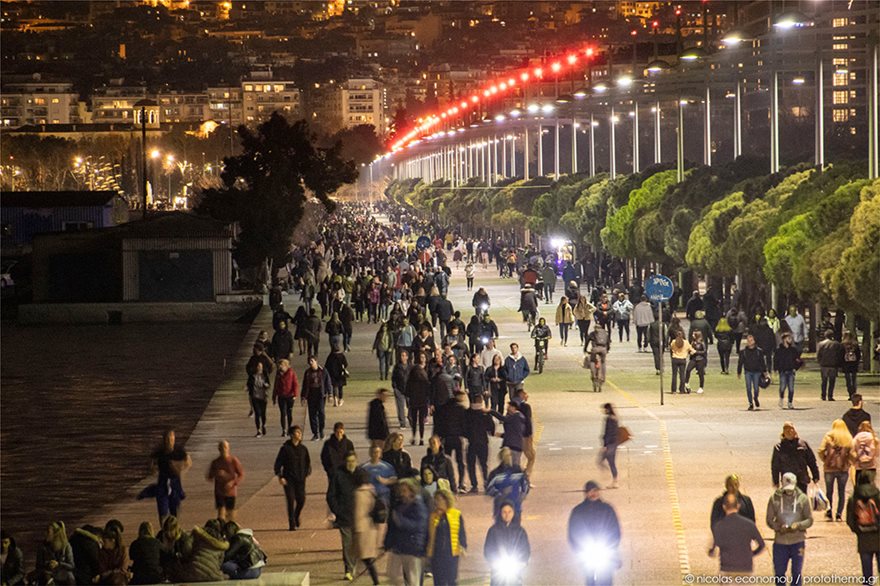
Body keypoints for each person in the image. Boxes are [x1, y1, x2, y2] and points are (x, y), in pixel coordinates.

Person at [567, 481, 621, 586]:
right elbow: (573, 533)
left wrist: (612, 546)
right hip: (586, 551)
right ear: (586, 493)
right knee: (590, 579)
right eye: (590, 491)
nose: (593, 493)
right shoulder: (578, 511)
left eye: (595, 490)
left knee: (606, 578)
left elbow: (615, 530)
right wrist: (578, 549)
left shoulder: (607, 509)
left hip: (605, 549)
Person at [766, 472, 813, 586]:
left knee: (796, 573)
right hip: (780, 542)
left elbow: (809, 520)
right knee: (779, 573)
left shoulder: (803, 499)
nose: (789, 492)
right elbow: (769, 519)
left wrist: (799, 525)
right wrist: (778, 527)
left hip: (797, 541)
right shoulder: (774, 499)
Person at [385, 477, 428, 586]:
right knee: (391, 573)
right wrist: (388, 542)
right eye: (400, 490)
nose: (401, 493)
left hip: (413, 547)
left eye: (404, 490)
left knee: (413, 578)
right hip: (399, 546)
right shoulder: (399, 505)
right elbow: (392, 527)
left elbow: (419, 525)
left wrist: (400, 521)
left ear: (411, 491)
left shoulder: (418, 506)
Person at [708, 493, 765, 576]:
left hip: (727, 568)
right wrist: (751, 554)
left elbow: (716, 545)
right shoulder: (749, 524)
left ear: (724, 507)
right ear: (738, 506)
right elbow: (762, 545)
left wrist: (712, 551)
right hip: (746, 568)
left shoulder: (719, 526)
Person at [327, 451, 360, 581]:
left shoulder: (360, 474)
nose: (351, 464)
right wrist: (337, 510)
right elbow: (331, 495)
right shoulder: (338, 475)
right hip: (344, 516)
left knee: (356, 543)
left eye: (353, 461)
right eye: (348, 461)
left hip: (359, 516)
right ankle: (348, 569)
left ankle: (354, 564)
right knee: (347, 544)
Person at [484, 502, 531, 586]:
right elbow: (488, 548)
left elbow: (525, 548)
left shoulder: (520, 531)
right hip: (498, 567)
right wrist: (492, 561)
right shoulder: (493, 530)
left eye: (510, 512)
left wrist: (523, 561)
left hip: (515, 566)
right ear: (500, 513)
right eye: (504, 512)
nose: (507, 515)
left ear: (513, 513)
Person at [427, 489, 467, 586]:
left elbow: (461, 532)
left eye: (440, 499)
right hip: (436, 555)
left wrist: (463, 546)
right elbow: (428, 535)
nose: (437, 502)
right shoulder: (433, 516)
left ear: (446, 500)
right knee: (439, 581)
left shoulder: (456, 514)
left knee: (452, 580)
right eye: (436, 499)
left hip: (451, 554)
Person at [150, 430, 191, 524]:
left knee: (174, 511)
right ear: (164, 440)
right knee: (162, 510)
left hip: (175, 482)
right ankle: (164, 530)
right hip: (162, 482)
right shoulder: (160, 452)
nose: (169, 441)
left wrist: (182, 470)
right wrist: (153, 470)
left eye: (171, 439)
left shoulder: (178, 451)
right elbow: (152, 463)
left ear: (174, 439)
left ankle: (174, 530)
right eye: (167, 439)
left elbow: (188, 461)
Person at [275, 425, 311, 531]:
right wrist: (280, 476)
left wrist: (307, 472)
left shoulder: (303, 449)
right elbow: (278, 464)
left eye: (300, 432)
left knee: (301, 500)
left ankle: (296, 515)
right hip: (288, 479)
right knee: (290, 500)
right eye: (297, 432)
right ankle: (291, 523)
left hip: (300, 479)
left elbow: (307, 462)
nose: (299, 434)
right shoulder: (285, 449)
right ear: (291, 435)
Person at [846, 473, 880, 583]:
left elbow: (850, 520)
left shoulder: (854, 499)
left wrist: (857, 530)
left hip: (863, 538)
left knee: (867, 571)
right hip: (878, 536)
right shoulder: (878, 496)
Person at [819, 419, 854, 522]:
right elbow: (852, 453)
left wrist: (825, 460)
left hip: (829, 468)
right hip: (843, 468)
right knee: (841, 492)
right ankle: (839, 514)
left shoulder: (828, 436)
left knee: (829, 491)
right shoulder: (848, 437)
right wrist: (848, 463)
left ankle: (829, 513)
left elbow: (821, 450)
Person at [771, 422, 820, 494]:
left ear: (794, 431)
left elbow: (811, 461)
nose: (789, 432)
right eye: (787, 430)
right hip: (787, 481)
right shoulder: (778, 448)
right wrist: (776, 481)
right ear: (783, 432)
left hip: (802, 479)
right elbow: (775, 466)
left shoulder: (803, 444)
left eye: (791, 429)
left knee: (802, 501)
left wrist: (815, 475)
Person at [352, 469, 381, 586]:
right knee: (366, 557)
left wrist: (356, 530)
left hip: (362, 529)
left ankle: (375, 581)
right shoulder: (371, 490)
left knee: (365, 557)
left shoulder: (358, 493)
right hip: (371, 527)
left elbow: (358, 513)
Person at [486, 447, 530, 522]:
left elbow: (526, 484)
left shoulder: (517, 470)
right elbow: (489, 489)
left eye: (509, 455)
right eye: (505, 456)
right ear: (501, 457)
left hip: (515, 506)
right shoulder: (496, 473)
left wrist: (522, 495)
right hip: (500, 507)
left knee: (515, 530)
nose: (507, 458)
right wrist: (501, 493)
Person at [207, 439, 245, 522]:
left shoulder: (233, 460)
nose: (223, 449)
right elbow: (209, 476)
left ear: (228, 448)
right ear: (219, 449)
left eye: (225, 447)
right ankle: (221, 528)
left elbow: (241, 474)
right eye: (221, 447)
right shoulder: (215, 462)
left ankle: (230, 529)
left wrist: (233, 482)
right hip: (219, 491)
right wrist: (216, 473)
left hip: (231, 491)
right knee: (221, 513)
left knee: (230, 513)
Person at [466, 397, 495, 493]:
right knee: (483, 464)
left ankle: (474, 486)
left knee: (471, 465)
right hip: (483, 442)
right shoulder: (485, 414)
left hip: (472, 442)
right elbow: (491, 428)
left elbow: (463, 427)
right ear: (481, 402)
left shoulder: (468, 414)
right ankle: (486, 483)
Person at [301, 355, 331, 440]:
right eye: (309, 361)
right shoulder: (307, 373)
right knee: (312, 414)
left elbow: (328, 382)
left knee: (321, 413)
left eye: (312, 361)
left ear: (316, 361)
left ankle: (321, 430)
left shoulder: (323, 371)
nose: (310, 363)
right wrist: (303, 397)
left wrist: (330, 394)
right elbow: (305, 385)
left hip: (320, 395)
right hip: (311, 395)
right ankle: (315, 433)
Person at [737, 334, 766, 410]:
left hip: (757, 372)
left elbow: (762, 362)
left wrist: (765, 372)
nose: (749, 342)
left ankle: (755, 397)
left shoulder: (759, 351)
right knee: (748, 388)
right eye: (748, 340)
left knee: (756, 388)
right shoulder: (743, 352)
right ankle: (750, 403)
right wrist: (739, 372)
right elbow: (740, 362)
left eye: (751, 340)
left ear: (754, 341)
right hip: (748, 372)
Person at [774, 332, 800, 409]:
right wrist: (776, 369)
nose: (790, 340)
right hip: (782, 371)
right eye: (789, 338)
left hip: (791, 371)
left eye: (791, 338)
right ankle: (781, 398)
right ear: (784, 339)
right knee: (782, 387)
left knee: (791, 388)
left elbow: (798, 360)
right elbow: (776, 360)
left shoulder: (793, 350)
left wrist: (795, 368)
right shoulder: (779, 350)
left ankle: (790, 402)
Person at [273, 358, 299, 436]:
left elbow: (295, 384)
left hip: (290, 396)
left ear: (286, 366)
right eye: (279, 366)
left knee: (289, 413)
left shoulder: (291, 373)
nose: (280, 367)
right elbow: (276, 385)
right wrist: (274, 396)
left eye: (281, 366)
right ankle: (284, 429)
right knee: (283, 413)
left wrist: (295, 394)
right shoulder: (278, 374)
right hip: (281, 396)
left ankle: (289, 428)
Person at [817, 329, 844, 401]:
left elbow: (819, 354)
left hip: (824, 364)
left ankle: (823, 395)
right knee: (832, 381)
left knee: (824, 381)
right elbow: (839, 355)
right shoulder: (836, 344)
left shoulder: (821, 344)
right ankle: (830, 395)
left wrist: (820, 362)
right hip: (833, 365)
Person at [598, 404, 620, 489]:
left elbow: (607, 433)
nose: (603, 411)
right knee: (611, 463)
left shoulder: (609, 419)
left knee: (600, 461)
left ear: (607, 409)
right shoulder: (615, 418)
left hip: (609, 444)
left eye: (604, 409)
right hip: (614, 443)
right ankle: (614, 481)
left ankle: (609, 476)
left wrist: (605, 445)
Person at [586, 319, 611, 393]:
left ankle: (594, 375)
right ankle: (602, 377)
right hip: (603, 349)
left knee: (592, 361)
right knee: (603, 363)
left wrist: (585, 349)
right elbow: (608, 342)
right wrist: (607, 350)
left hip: (595, 349)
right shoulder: (605, 333)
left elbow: (587, 341)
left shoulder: (593, 333)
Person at [391, 350, 413, 429]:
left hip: (409, 389)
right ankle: (402, 423)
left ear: (407, 357)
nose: (403, 357)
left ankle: (411, 419)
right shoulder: (397, 367)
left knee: (411, 406)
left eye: (404, 356)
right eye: (402, 356)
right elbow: (393, 378)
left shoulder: (411, 367)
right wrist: (395, 387)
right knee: (400, 407)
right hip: (399, 389)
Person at [249, 360, 271, 437]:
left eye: (261, 366)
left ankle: (264, 425)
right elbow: (249, 384)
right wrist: (247, 388)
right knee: (257, 413)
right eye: (258, 366)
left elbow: (269, 384)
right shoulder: (252, 376)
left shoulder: (265, 375)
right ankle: (258, 430)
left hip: (263, 396)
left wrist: (266, 385)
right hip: (255, 396)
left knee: (263, 413)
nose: (259, 368)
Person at [853, 421, 879, 485]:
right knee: (870, 486)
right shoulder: (874, 438)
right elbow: (877, 453)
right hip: (871, 466)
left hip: (859, 466)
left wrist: (855, 459)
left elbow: (852, 450)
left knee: (860, 487)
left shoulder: (857, 437)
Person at [684, 330, 707, 394]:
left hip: (700, 359)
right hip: (693, 359)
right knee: (688, 370)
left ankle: (701, 387)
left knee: (700, 374)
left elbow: (704, 351)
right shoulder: (692, 342)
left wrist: (696, 352)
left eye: (694, 334)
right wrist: (690, 352)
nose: (692, 335)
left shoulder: (702, 342)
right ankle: (686, 383)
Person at [669, 330, 692, 395]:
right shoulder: (686, 342)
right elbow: (691, 349)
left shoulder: (673, 342)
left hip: (675, 359)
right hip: (682, 359)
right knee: (682, 375)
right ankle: (682, 390)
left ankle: (674, 390)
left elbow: (671, 348)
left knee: (674, 375)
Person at [842, 331, 862, 398]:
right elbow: (858, 355)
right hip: (854, 364)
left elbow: (840, 355)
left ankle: (850, 393)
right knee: (854, 379)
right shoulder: (855, 344)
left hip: (846, 364)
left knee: (848, 379)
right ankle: (854, 392)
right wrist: (857, 362)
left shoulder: (843, 344)